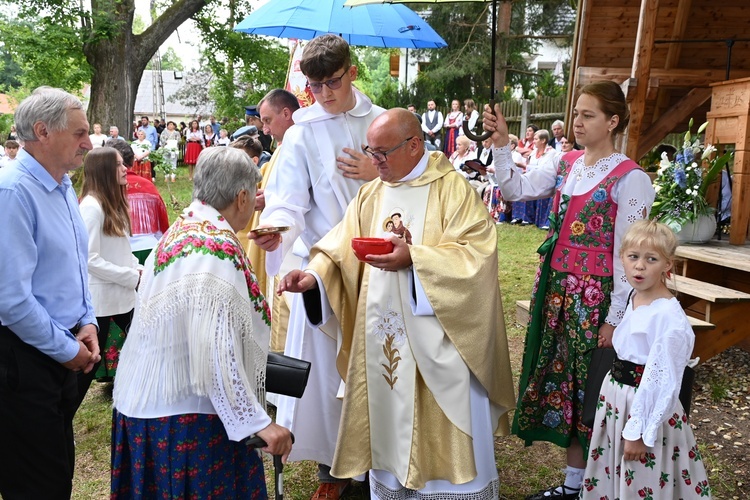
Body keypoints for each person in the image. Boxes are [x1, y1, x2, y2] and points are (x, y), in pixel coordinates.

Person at [277, 108, 516, 498]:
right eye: (371, 152)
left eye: (383, 153)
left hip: (439, 341)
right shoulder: (372, 193)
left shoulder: (452, 190)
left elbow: (477, 255)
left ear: (415, 145)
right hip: (381, 339)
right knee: (389, 434)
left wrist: (416, 259)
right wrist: (315, 276)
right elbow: (339, 246)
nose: (375, 163)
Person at [483, 80, 656, 500]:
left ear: (613, 121)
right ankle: (573, 485)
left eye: (588, 115)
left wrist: (616, 318)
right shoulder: (567, 162)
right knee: (565, 388)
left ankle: (601, 486)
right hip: (558, 292)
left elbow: (629, 256)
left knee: (593, 390)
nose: (577, 122)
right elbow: (515, 191)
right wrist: (503, 144)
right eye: (576, 113)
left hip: (596, 301)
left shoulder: (630, 178)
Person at [111, 147, 293, 498]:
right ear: (241, 197)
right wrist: (258, 422)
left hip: (149, 407)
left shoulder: (186, 228)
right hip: (185, 422)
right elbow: (215, 352)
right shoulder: (214, 249)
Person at [251, 34, 384, 500]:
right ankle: (335, 469)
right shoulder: (303, 132)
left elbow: (413, 180)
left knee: (378, 366)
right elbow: (288, 200)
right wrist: (277, 229)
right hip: (325, 269)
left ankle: (379, 463)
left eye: (332, 82)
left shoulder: (381, 122)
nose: (324, 94)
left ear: (351, 72)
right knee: (330, 372)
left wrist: (377, 172)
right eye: (314, 85)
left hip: (378, 265)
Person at [0, 86, 100, 499]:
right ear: (42, 131)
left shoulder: (59, 186)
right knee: (36, 483)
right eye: (78, 133)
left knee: (55, 473)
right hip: (24, 358)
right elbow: (11, 300)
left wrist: (88, 320)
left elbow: (75, 267)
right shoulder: (13, 193)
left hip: (60, 348)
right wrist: (66, 349)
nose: (88, 142)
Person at [581, 219, 712, 498]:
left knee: (640, 476)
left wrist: (639, 433)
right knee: (614, 468)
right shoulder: (636, 295)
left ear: (667, 265)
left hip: (642, 406)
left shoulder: (668, 318)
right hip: (619, 399)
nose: (639, 266)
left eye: (651, 259)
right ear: (623, 259)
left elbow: (662, 379)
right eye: (633, 257)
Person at [74, 147, 141, 409]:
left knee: (138, 346)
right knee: (89, 364)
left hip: (123, 297)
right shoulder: (91, 207)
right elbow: (89, 259)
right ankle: (64, 414)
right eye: (119, 165)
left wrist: (139, 269)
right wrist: (130, 276)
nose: (125, 169)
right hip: (102, 302)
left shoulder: (110, 203)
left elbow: (121, 251)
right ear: (103, 170)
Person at [238, 88, 300, 354]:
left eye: (267, 120)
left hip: (293, 244)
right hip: (274, 234)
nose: (264, 129)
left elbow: (302, 198)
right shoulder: (281, 149)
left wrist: (269, 202)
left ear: (286, 113)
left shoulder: (300, 146)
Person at [106, 139, 170, 264]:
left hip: (114, 251)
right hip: (149, 248)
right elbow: (162, 222)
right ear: (132, 160)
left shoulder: (99, 187)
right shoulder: (149, 186)